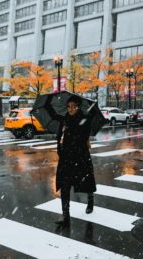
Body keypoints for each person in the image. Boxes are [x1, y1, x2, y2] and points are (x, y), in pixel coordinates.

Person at [55, 95, 96, 227]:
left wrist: (80, 126)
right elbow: (59, 137)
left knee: (86, 182)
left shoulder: (84, 119)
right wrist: (59, 148)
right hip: (66, 158)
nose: (71, 109)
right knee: (64, 185)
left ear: (78, 107)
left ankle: (90, 200)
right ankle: (65, 214)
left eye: (74, 106)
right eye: (69, 106)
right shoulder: (64, 120)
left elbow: (84, 135)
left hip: (80, 156)